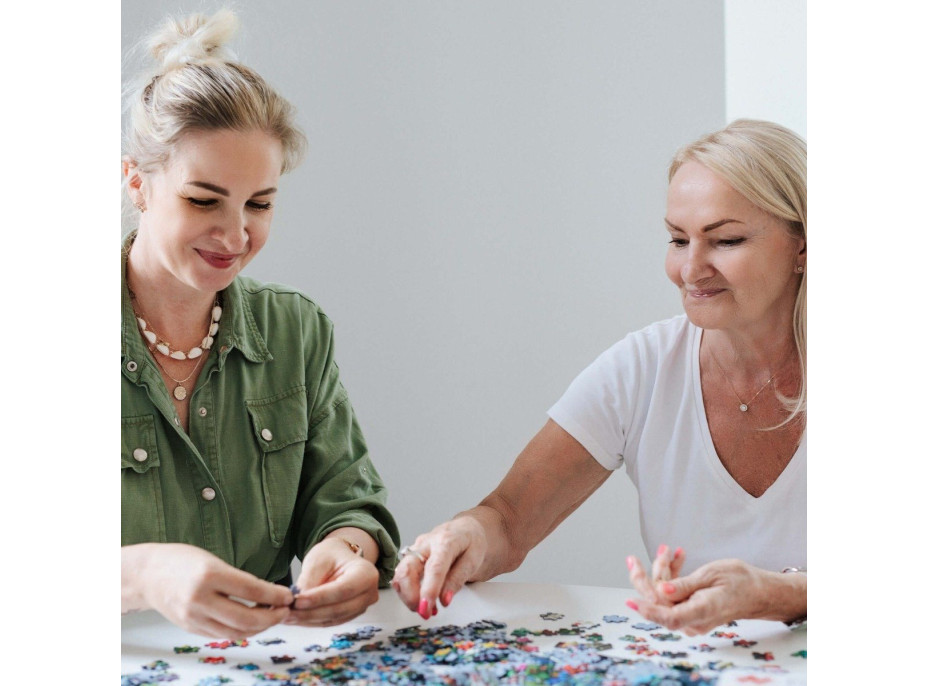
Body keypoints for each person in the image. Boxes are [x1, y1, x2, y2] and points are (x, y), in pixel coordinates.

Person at [392, 119, 807, 635]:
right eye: (678, 240)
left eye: (725, 240)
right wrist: (460, 538)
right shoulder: (641, 369)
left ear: (803, 246)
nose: (690, 269)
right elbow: (508, 519)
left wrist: (780, 594)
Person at [120, 10, 400, 639]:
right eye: (203, 199)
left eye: (260, 204)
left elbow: (346, 502)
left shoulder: (294, 332)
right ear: (137, 182)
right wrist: (142, 577)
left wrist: (350, 552)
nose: (236, 234)